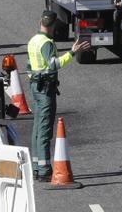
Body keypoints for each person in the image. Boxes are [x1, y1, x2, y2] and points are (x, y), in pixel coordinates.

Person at [26, 10, 90, 181]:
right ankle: (45, 169)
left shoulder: (33, 41)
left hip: (35, 86)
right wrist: (71, 52)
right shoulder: (46, 43)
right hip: (46, 89)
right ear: (53, 25)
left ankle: (36, 166)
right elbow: (54, 65)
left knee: (37, 128)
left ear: (40, 21)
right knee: (45, 129)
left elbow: (29, 65)